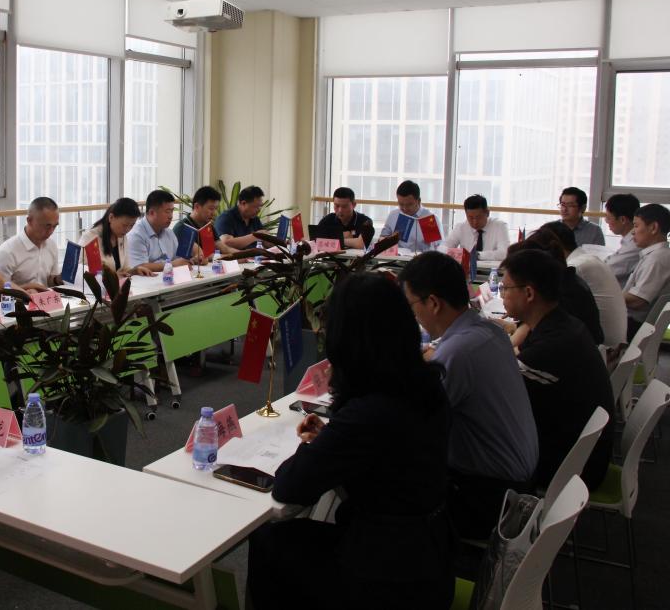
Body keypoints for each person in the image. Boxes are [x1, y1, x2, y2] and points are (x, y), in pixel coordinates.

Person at [247, 273, 454, 610]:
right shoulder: (425, 387)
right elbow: (386, 455)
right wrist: (333, 441)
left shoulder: (368, 411)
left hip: (389, 581)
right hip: (429, 559)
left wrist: (315, 446)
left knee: (271, 539)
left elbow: (290, 487)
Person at [400, 252, 538, 541]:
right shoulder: (489, 332)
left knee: (389, 479)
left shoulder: (459, 353)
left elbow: (412, 423)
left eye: (411, 305)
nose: (412, 315)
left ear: (433, 303)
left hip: (489, 497)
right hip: (518, 485)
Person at [499, 250, 614, 491]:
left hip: (569, 469)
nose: (502, 295)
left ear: (529, 293)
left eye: (505, 288)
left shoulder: (549, 349)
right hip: (581, 453)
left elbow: (497, 399)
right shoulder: (564, 324)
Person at [505, 232, 604, 347]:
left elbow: (509, 351)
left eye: (506, 288)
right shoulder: (567, 286)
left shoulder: (562, 302)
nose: (503, 295)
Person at [540, 221, 627, 348]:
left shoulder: (575, 267)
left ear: (554, 246)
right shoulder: (587, 259)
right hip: (612, 343)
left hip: (604, 349)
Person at [0, 196, 64, 291]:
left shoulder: (51, 245)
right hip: (18, 300)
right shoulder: (6, 253)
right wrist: (28, 288)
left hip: (46, 299)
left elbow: (49, 282)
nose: (51, 231)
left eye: (54, 226)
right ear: (29, 221)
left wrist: (57, 280)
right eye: (47, 226)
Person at [624, 203, 670, 337]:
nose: (632, 232)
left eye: (636, 225)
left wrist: (608, 295)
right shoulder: (655, 255)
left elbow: (637, 300)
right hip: (633, 323)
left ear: (653, 228)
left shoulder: (657, 258)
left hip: (632, 326)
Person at [127, 190, 197, 272]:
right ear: (152, 212)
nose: (171, 216)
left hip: (170, 278)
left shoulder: (169, 233)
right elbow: (139, 267)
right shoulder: (136, 235)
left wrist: (190, 261)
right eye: (167, 211)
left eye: (172, 211)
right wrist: (171, 265)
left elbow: (178, 260)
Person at [79, 198, 150, 276]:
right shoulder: (90, 238)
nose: (128, 229)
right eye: (124, 225)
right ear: (111, 217)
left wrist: (134, 271)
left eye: (131, 225)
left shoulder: (121, 236)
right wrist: (115, 277)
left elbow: (124, 269)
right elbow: (87, 273)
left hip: (117, 283)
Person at [441, 194, 510, 261]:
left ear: (487, 213)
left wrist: (477, 255)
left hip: (491, 268)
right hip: (466, 268)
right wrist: (459, 253)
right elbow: (442, 249)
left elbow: (504, 253)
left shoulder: (500, 226)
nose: (475, 222)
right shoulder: (461, 227)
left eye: (478, 217)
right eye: (470, 218)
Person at [380, 180, 441, 253]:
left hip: (421, 258)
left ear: (418, 201)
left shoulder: (429, 218)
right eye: (401, 204)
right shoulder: (393, 215)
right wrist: (390, 239)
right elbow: (382, 239)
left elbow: (437, 248)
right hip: (396, 257)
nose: (405, 208)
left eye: (409, 204)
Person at [172, 185, 227, 257]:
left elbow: (223, 249)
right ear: (197, 207)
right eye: (211, 208)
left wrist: (240, 255)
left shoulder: (207, 226)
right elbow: (202, 256)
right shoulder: (183, 227)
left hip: (209, 264)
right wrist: (232, 257)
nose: (214, 213)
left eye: (216, 208)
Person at [604, 193, 641, 287]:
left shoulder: (635, 244)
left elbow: (606, 270)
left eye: (608, 217)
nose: (606, 221)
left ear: (623, 220)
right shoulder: (628, 241)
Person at [214, 185, 265, 250]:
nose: (259, 210)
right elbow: (226, 243)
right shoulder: (226, 218)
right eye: (256, 207)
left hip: (254, 255)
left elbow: (265, 242)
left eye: (260, 206)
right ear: (243, 203)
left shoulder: (254, 218)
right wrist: (255, 236)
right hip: (235, 256)